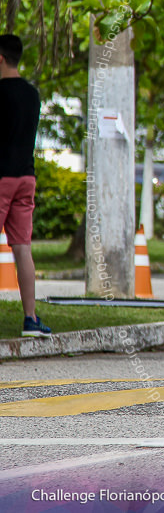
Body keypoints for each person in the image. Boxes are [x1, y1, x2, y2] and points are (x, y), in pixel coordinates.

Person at [0, 35, 49, 337]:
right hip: (25, 178)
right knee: (23, 249)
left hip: (0, 177)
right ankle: (30, 319)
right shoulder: (33, 94)